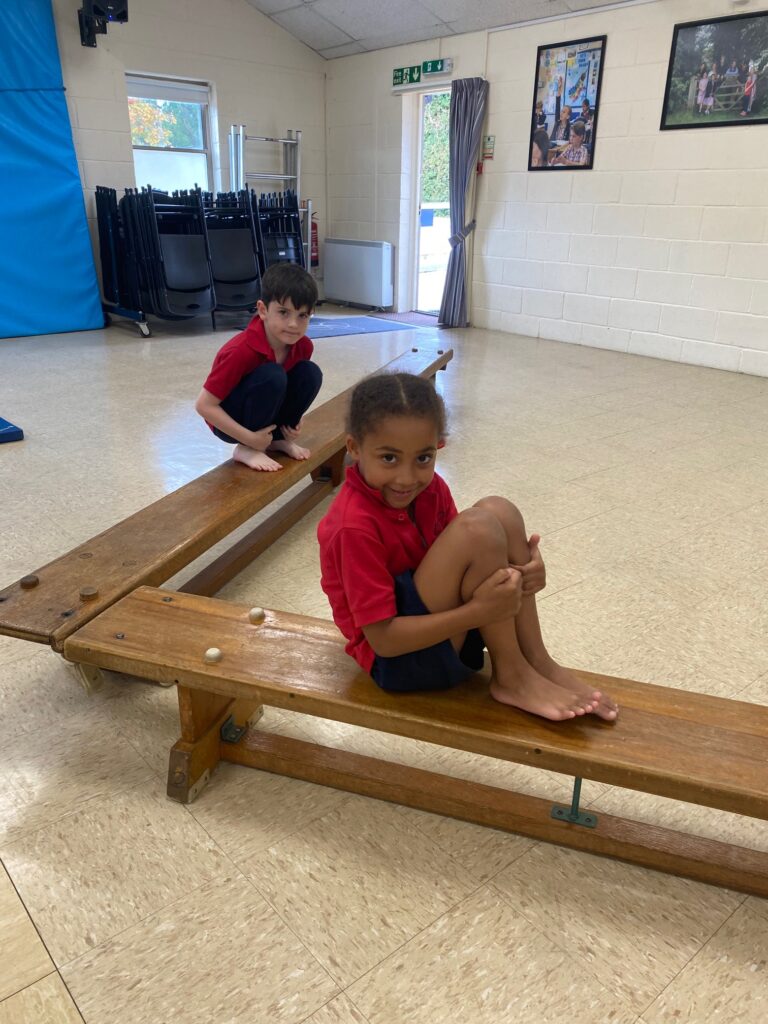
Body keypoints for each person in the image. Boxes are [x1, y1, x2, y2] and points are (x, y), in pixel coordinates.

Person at [317, 372, 618, 722]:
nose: (407, 477)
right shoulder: (351, 526)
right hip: (398, 661)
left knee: (498, 511)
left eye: (423, 458)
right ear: (354, 448)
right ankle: (512, 676)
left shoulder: (430, 490)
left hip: (445, 632)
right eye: (389, 458)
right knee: (478, 528)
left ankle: (537, 660)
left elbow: (475, 560)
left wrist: (525, 572)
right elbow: (383, 641)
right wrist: (478, 612)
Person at [195, 262, 322, 471]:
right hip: (230, 422)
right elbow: (204, 406)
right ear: (263, 310)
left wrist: (294, 422)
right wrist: (250, 439)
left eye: (302, 315)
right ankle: (246, 449)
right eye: (283, 312)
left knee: (310, 373)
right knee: (273, 375)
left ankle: (277, 439)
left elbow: (289, 391)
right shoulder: (240, 350)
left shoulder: (303, 346)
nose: (293, 324)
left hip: (264, 412)